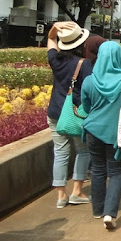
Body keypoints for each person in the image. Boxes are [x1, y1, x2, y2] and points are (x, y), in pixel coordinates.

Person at [82, 42, 121, 229]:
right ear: (118, 57)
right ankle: (109, 213)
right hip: (118, 133)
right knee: (116, 172)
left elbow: (86, 107)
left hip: (93, 131)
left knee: (98, 170)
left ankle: (97, 210)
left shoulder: (90, 80)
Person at [46, 21, 92, 209]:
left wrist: (55, 28)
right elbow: (89, 89)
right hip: (76, 114)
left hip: (55, 113)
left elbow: (50, 40)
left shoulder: (55, 60)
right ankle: (77, 191)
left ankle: (61, 196)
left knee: (60, 153)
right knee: (83, 151)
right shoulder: (84, 63)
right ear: (81, 44)